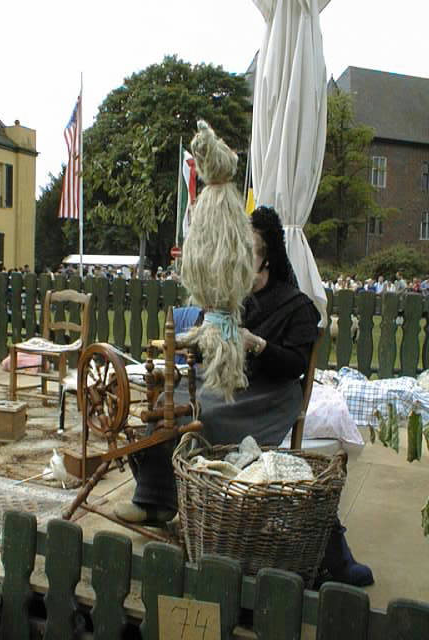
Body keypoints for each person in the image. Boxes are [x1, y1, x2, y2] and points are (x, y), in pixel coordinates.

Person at [116, 206, 373, 587]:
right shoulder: (228, 298)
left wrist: (257, 344)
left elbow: (295, 365)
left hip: (269, 392)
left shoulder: (296, 305)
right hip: (223, 381)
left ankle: (311, 541)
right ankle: (155, 501)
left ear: (266, 257)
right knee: (163, 407)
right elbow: (202, 347)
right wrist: (202, 336)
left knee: (203, 417)